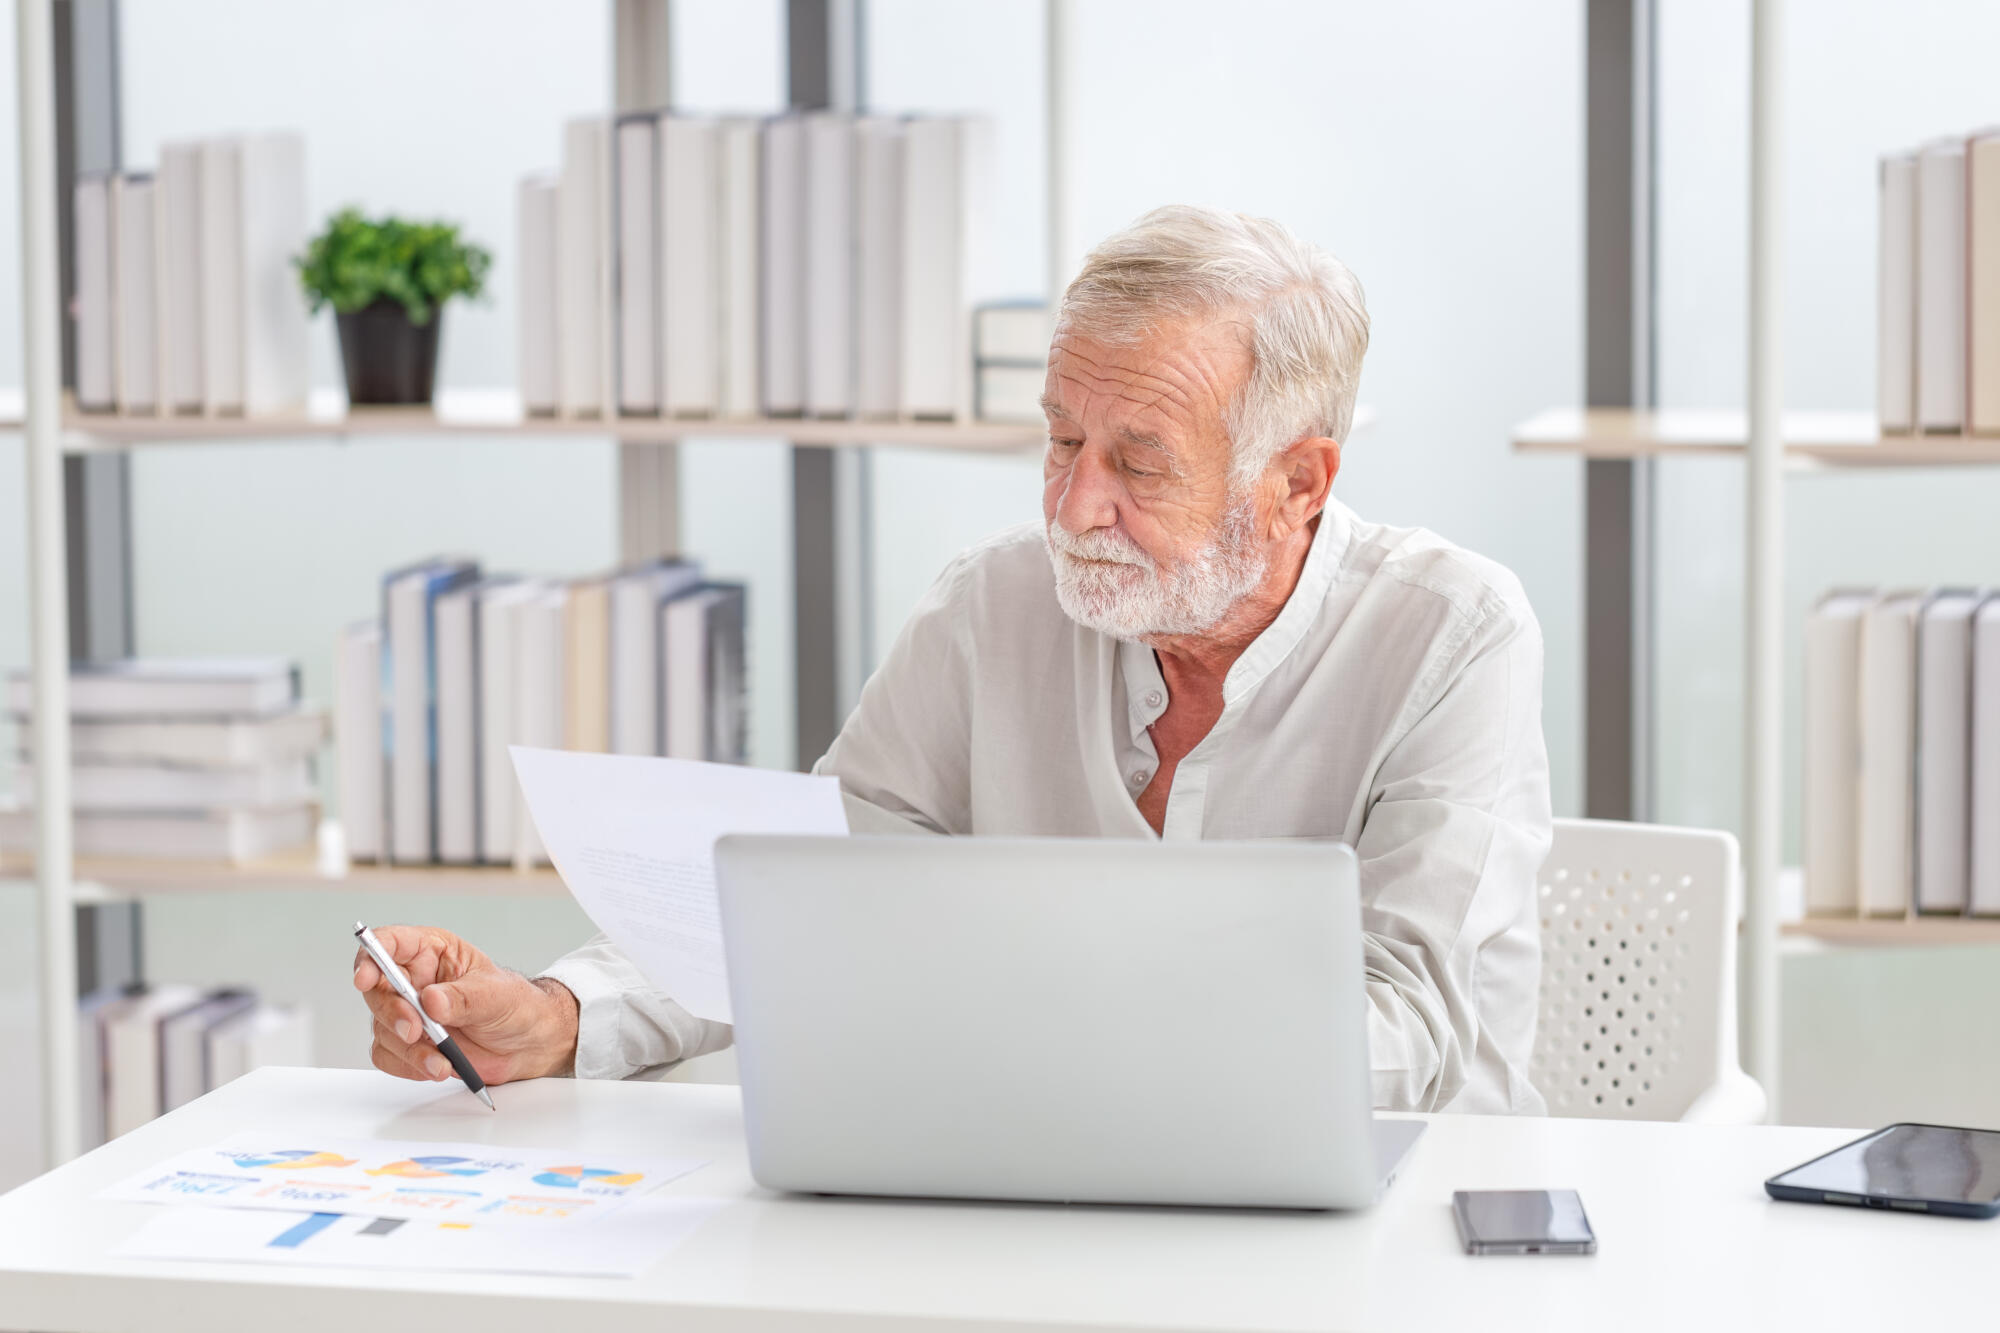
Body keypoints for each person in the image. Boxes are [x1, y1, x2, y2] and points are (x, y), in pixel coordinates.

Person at [353, 205, 1553, 1114]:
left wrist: (1052, 1024)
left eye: (1137, 463)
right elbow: (809, 891)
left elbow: (1408, 1031)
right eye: (1061, 438)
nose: (1075, 505)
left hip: (1389, 1229)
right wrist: (558, 1016)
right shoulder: (996, 604)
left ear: (1296, 483)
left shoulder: (1451, 634)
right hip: (1040, 1201)